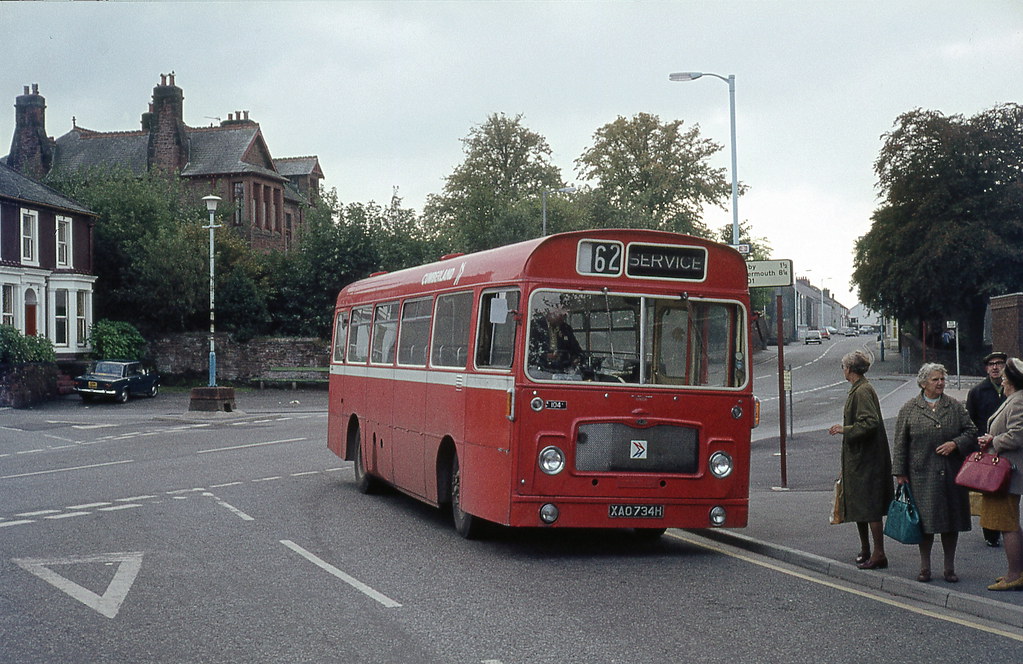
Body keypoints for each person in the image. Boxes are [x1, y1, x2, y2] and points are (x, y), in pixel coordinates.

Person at [892, 363, 977, 583]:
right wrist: (900, 473)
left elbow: (971, 431)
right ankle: (925, 567)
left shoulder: (954, 406)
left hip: (951, 473)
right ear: (923, 383)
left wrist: (955, 444)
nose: (940, 383)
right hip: (921, 475)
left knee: (950, 523)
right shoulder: (910, 409)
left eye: (942, 379)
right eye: (935, 379)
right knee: (925, 524)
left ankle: (949, 568)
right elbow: (900, 443)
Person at [828, 351, 894, 570]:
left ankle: (879, 553)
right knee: (859, 505)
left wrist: (843, 429)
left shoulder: (863, 391)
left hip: (868, 460)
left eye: (843, 366)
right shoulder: (859, 388)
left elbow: (869, 422)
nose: (843, 370)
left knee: (870, 506)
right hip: (859, 459)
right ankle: (866, 550)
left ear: (849, 369)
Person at [976, 356, 1023, 591]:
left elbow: (1017, 435)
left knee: (1008, 524)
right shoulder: (1013, 399)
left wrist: (993, 440)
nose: (1001, 380)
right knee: (1009, 522)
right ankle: (1015, 571)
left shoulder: (1019, 401)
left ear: (1011, 381)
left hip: (1009, 474)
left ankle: (1015, 575)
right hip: (1006, 471)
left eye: (1004, 377)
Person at [966, 351, 1008, 546]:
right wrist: (976, 445)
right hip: (986, 450)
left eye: (999, 363)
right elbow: (970, 422)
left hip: (1008, 447)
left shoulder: (1013, 389)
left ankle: (1007, 526)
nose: (995, 367)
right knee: (989, 491)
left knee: (1008, 490)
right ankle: (991, 532)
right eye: (991, 364)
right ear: (986, 368)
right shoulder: (977, 392)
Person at [529, 301, 583, 372]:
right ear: (551, 312)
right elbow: (529, 352)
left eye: (564, 315)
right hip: (540, 370)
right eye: (560, 315)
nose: (563, 318)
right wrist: (546, 356)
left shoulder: (566, 328)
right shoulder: (535, 326)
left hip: (563, 370)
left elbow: (575, 349)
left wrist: (576, 358)